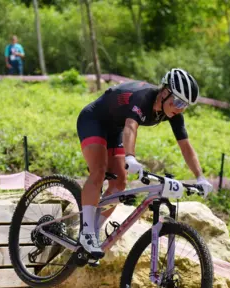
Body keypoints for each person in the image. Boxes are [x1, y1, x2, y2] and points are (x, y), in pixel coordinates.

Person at [75, 68, 214, 259]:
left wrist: (200, 177)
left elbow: (185, 146)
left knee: (119, 184)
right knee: (98, 171)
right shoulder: (143, 97)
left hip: (114, 128)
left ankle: (92, 231)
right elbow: (131, 127)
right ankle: (86, 233)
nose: (180, 109)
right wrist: (130, 157)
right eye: (179, 102)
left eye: (185, 106)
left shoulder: (173, 112)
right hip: (93, 120)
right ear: (164, 92)